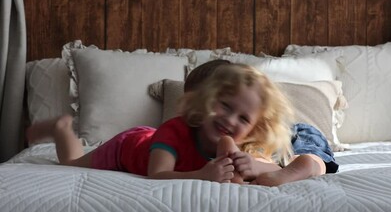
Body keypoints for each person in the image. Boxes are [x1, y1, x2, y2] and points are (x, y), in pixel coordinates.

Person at [26, 62, 295, 184]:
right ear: (206, 100)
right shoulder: (174, 131)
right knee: (71, 164)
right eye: (224, 105)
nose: (230, 119)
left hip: (154, 143)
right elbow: (157, 175)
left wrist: (255, 164)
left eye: (244, 118)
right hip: (130, 147)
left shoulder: (240, 142)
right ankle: (61, 128)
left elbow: (271, 166)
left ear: (255, 128)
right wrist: (201, 176)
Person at [183, 60, 339, 186]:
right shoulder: (187, 131)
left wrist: (256, 167)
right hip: (268, 148)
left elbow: (259, 159)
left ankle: (309, 165)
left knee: (310, 157)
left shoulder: (249, 132)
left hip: (295, 133)